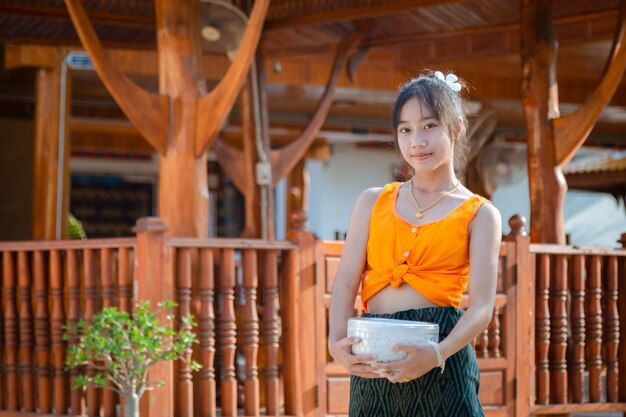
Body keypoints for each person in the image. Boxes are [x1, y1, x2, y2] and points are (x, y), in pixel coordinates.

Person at [327, 71, 502, 417]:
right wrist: (335, 344)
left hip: (442, 357)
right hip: (374, 356)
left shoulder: (481, 214)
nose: (416, 141)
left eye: (429, 126)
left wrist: (436, 353)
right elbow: (346, 281)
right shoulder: (371, 202)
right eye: (405, 129)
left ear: (456, 128)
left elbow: (482, 307)